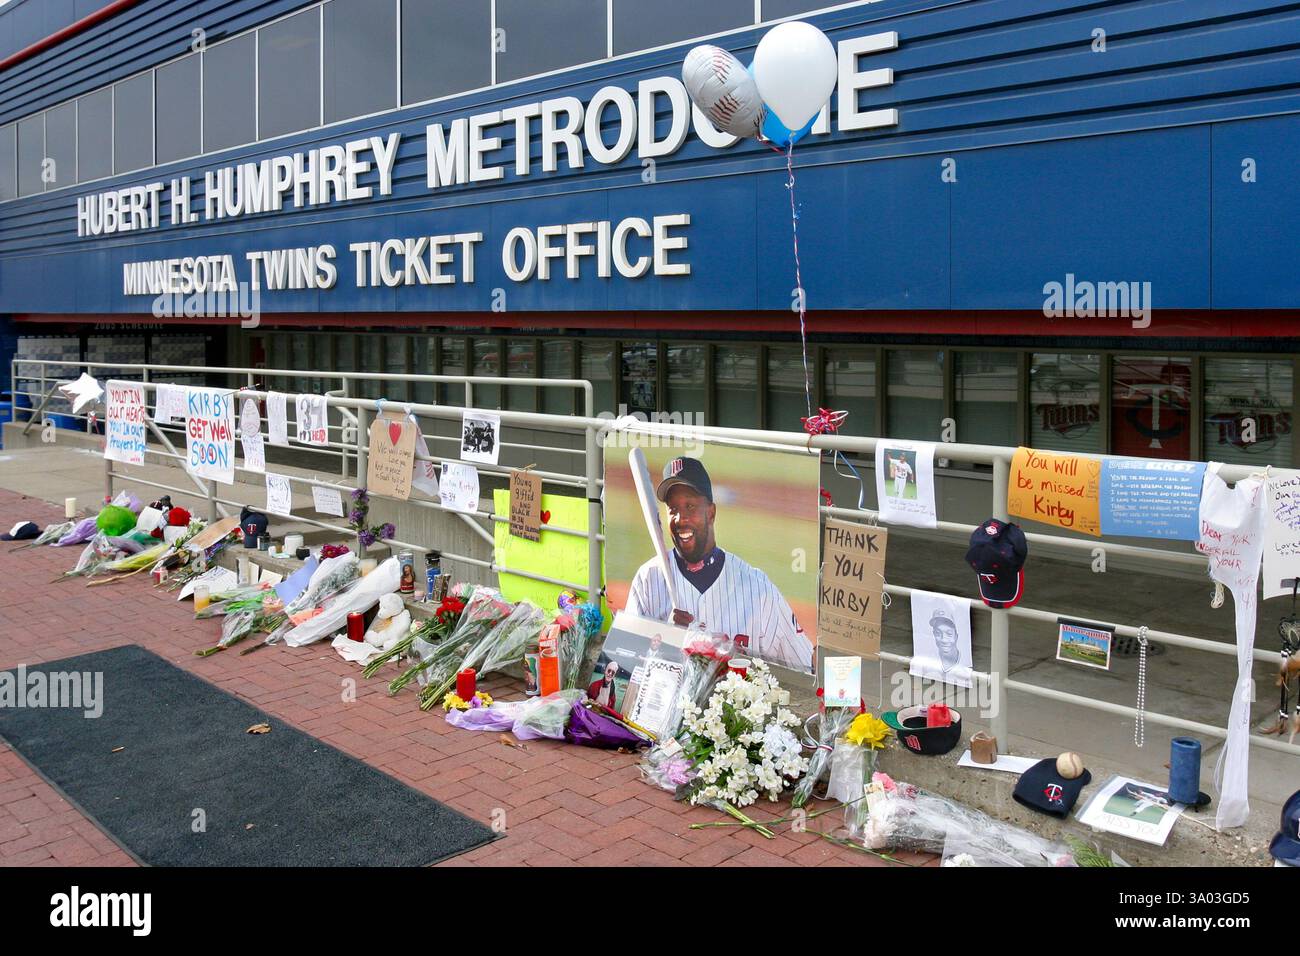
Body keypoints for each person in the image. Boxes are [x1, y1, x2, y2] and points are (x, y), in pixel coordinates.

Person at [626, 456, 813, 672]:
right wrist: (665, 639)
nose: (681, 518)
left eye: (690, 506)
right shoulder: (648, 578)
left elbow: (806, 666)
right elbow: (626, 664)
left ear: (711, 512)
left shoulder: (758, 588)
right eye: (673, 509)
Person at [930, 609, 963, 678]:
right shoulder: (928, 659)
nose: (944, 640)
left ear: (956, 636)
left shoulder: (965, 661)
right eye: (938, 633)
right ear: (934, 635)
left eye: (949, 634)